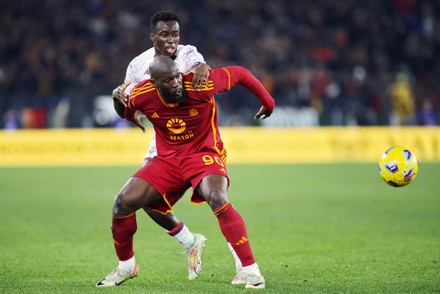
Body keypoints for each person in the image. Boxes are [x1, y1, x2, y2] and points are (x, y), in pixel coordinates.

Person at [96, 55, 275, 289]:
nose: (176, 83)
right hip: (167, 160)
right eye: (169, 80)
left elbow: (240, 73)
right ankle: (127, 267)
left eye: (177, 77)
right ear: (155, 84)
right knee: (122, 202)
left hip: (203, 153)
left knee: (218, 198)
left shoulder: (199, 84)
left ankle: (251, 270)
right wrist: (122, 106)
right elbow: (128, 111)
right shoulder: (143, 93)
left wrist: (268, 103)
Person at [110, 10, 244, 283]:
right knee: (144, 201)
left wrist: (205, 67)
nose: (171, 40)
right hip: (163, 140)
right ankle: (189, 241)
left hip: (197, 140)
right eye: (164, 34)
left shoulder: (188, 53)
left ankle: (244, 263)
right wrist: (118, 100)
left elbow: (201, 72)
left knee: (215, 198)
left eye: (174, 34)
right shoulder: (137, 65)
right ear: (153, 37)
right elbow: (127, 104)